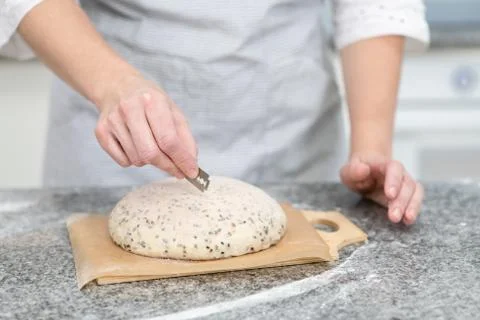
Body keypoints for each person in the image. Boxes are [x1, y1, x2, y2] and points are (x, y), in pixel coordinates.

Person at [0, 0, 430, 225]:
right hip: (110, 158)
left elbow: (373, 4)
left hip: (295, 152)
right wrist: (113, 85)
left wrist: (370, 151)